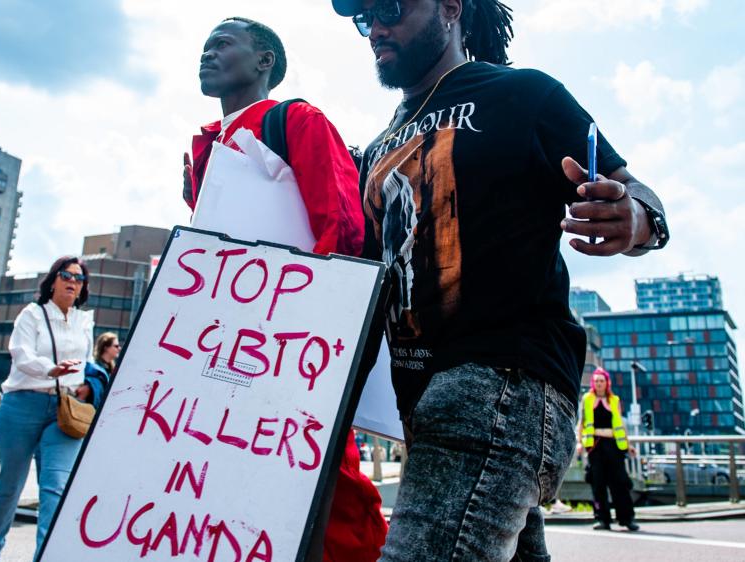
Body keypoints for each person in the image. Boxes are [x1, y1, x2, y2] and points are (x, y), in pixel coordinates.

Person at [328, 0, 669, 559]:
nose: (376, 27)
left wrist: (636, 218)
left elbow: (637, 192)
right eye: (364, 17)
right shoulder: (379, 146)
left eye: (390, 6)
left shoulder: (524, 95)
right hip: (424, 409)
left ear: (450, 7)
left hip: (500, 385)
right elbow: (365, 287)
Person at [183, 17, 387, 561]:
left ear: (264, 61)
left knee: (323, 484)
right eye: (204, 45)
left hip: (288, 351)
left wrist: (306, 338)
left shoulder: (296, 120)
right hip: (221, 347)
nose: (207, 54)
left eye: (222, 43)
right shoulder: (207, 147)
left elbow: (342, 228)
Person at [0, 257, 97, 561]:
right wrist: (50, 369)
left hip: (65, 409)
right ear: (53, 280)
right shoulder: (32, 314)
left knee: (55, 487)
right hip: (23, 405)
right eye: (66, 275)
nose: (73, 282)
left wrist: (88, 384)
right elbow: (21, 354)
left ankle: (45, 555)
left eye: (79, 278)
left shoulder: (85, 321)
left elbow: (88, 363)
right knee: (10, 485)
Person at [581, 367, 638, 531]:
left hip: (613, 446)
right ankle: (602, 519)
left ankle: (626, 518)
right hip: (595, 446)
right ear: (593, 383)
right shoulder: (587, 399)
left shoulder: (614, 400)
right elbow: (582, 422)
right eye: (596, 381)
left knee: (620, 483)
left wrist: (628, 444)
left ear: (607, 383)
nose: (599, 384)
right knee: (597, 484)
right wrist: (579, 443)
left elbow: (620, 424)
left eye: (602, 381)